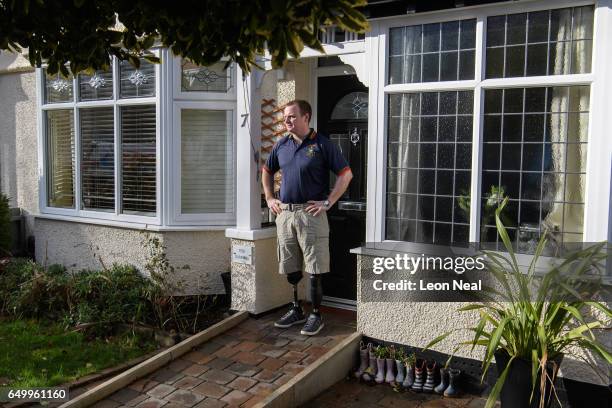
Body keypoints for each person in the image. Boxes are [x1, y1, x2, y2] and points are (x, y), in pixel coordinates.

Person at [262, 99, 353, 336]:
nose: (287, 121)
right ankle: (296, 309)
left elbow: (346, 174)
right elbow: (266, 170)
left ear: (306, 117)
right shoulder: (281, 145)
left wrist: (328, 202)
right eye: (285, 117)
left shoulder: (322, 144)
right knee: (291, 268)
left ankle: (315, 314)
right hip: (286, 214)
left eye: (292, 116)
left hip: (311, 215)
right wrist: (270, 198)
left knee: (315, 268)